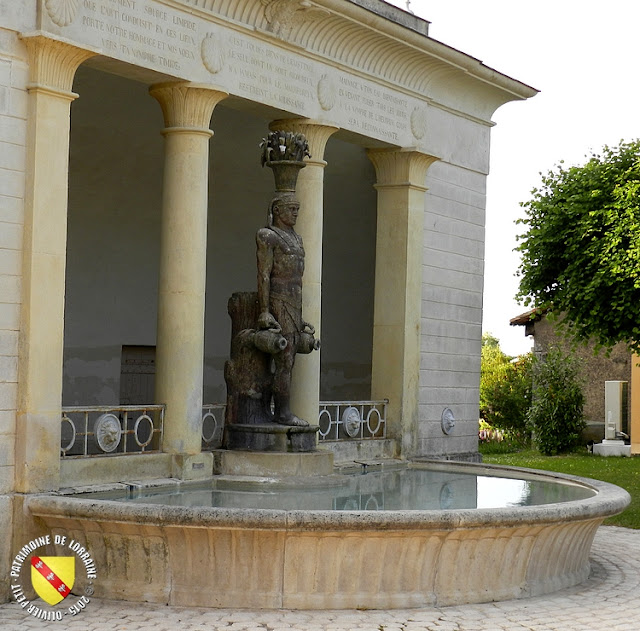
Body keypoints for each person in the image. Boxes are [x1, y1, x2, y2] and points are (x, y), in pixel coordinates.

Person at [256, 191, 315, 426]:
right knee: (285, 360)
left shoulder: (297, 238)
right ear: (277, 210)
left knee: (289, 361)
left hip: (294, 303)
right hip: (278, 301)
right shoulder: (268, 236)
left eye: (297, 209)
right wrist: (264, 309)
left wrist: (299, 319)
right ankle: (281, 412)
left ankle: (280, 410)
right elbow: (264, 274)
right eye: (291, 208)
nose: (296, 213)